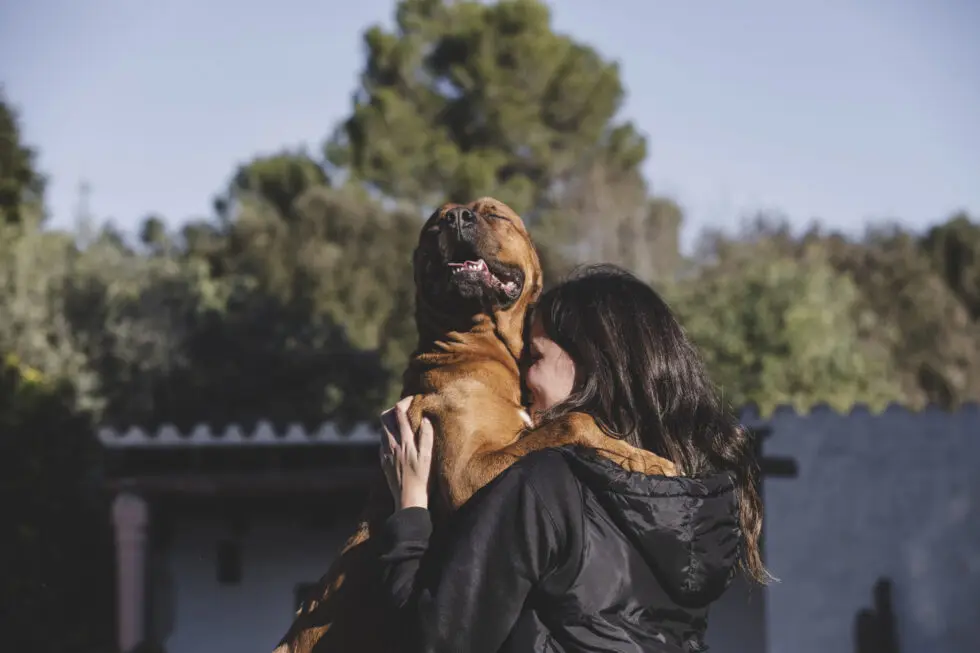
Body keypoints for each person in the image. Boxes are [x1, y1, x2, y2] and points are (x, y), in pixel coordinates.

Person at [378, 264, 770, 653]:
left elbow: (432, 641)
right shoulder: (702, 502)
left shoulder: (545, 485)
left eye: (534, 357)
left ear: (588, 361)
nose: (521, 381)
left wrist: (409, 511)